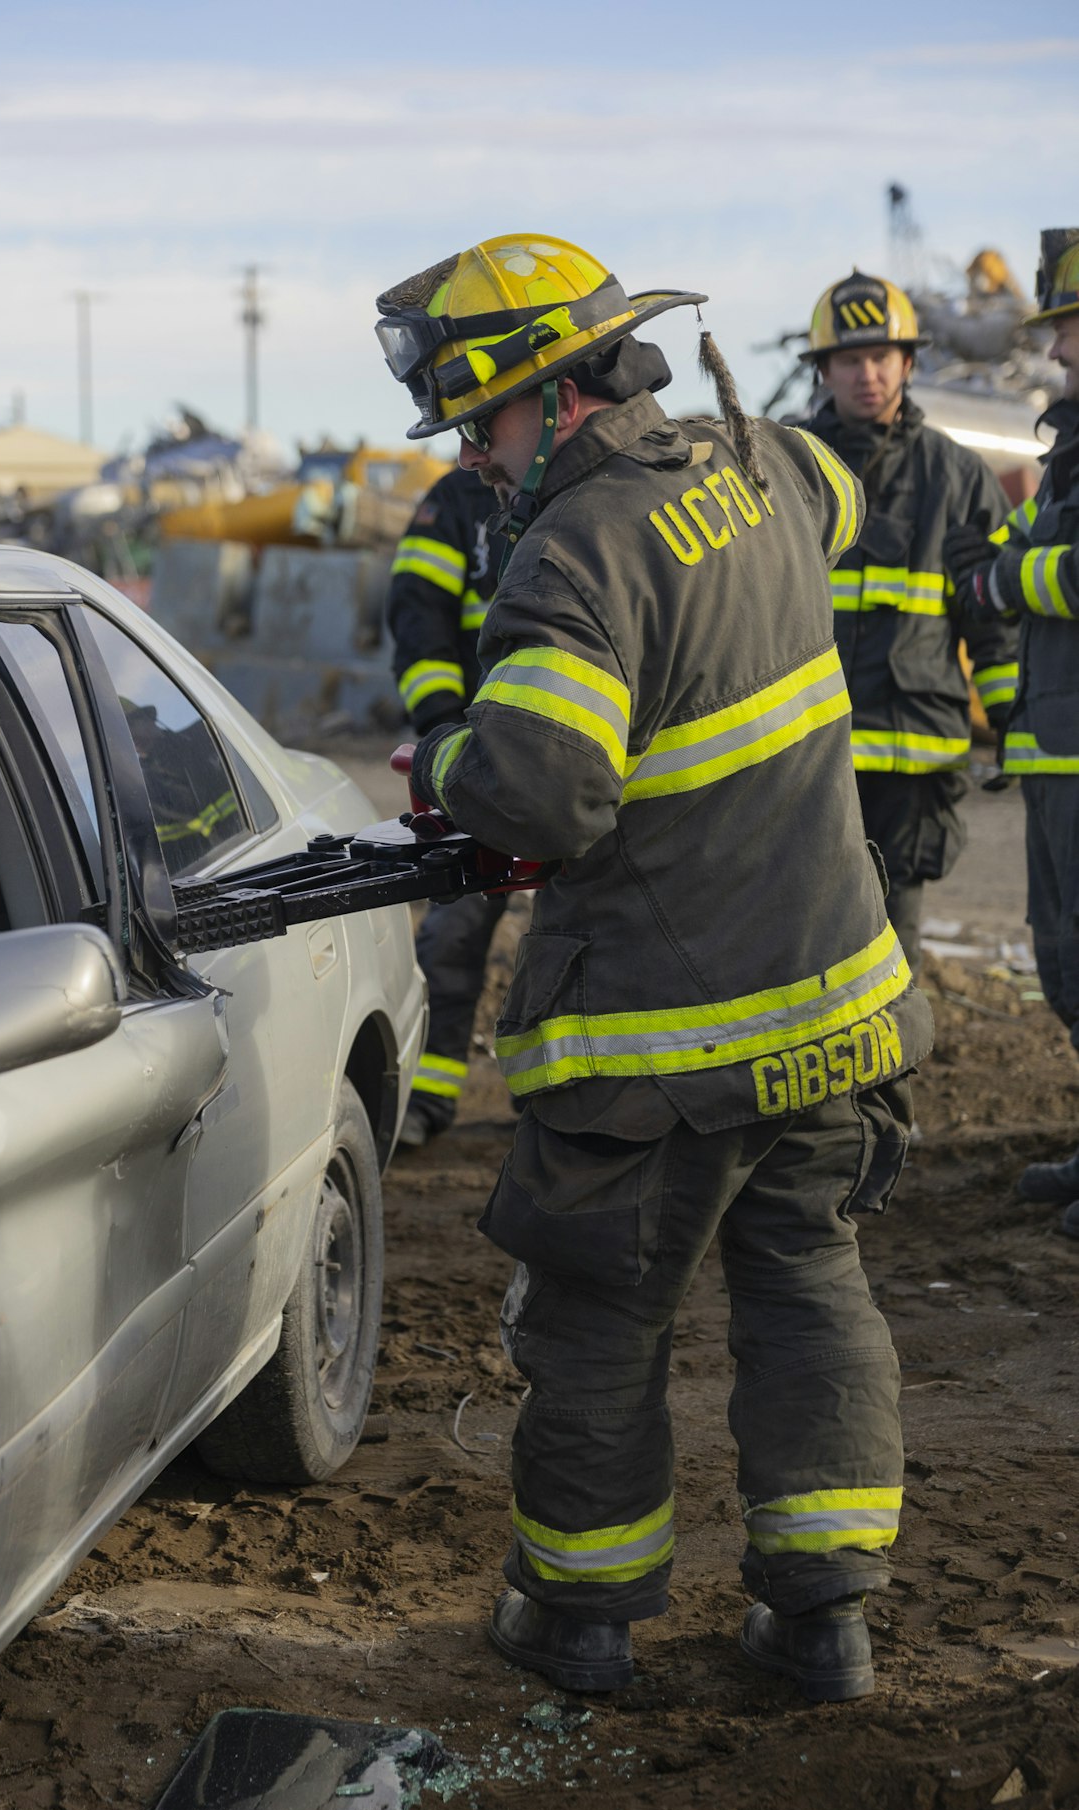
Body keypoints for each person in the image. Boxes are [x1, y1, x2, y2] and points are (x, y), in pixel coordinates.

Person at [373, 233, 933, 1703]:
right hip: (832, 1007)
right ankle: (822, 1625)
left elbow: (542, 795)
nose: (480, 463)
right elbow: (844, 496)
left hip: (657, 1046)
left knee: (597, 1324)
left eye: (481, 425)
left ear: (551, 400)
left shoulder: (573, 550)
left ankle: (582, 1619)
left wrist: (440, 757)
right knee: (808, 1283)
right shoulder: (764, 465)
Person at [799, 270, 1015, 973]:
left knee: (897, 961)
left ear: (909, 364)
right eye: (852, 359)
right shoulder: (786, 471)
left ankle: (893, 1086)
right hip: (804, 759)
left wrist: (1013, 719)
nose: (868, 374)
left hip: (913, 767)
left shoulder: (957, 478)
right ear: (825, 370)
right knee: (800, 948)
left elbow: (992, 620)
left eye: (882, 357)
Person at [946, 228, 1079, 1238]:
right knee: (1062, 960)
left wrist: (1000, 581)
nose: (1059, 352)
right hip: (1050, 746)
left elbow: (1055, 575)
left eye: (1071, 329)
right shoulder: (1065, 447)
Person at [387, 470, 509, 1143]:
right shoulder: (460, 501)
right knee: (455, 932)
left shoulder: (599, 486)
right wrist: (444, 726)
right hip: (480, 760)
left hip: (591, 758)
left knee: (589, 936)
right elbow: (417, 613)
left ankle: (568, 1100)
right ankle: (426, 1097)